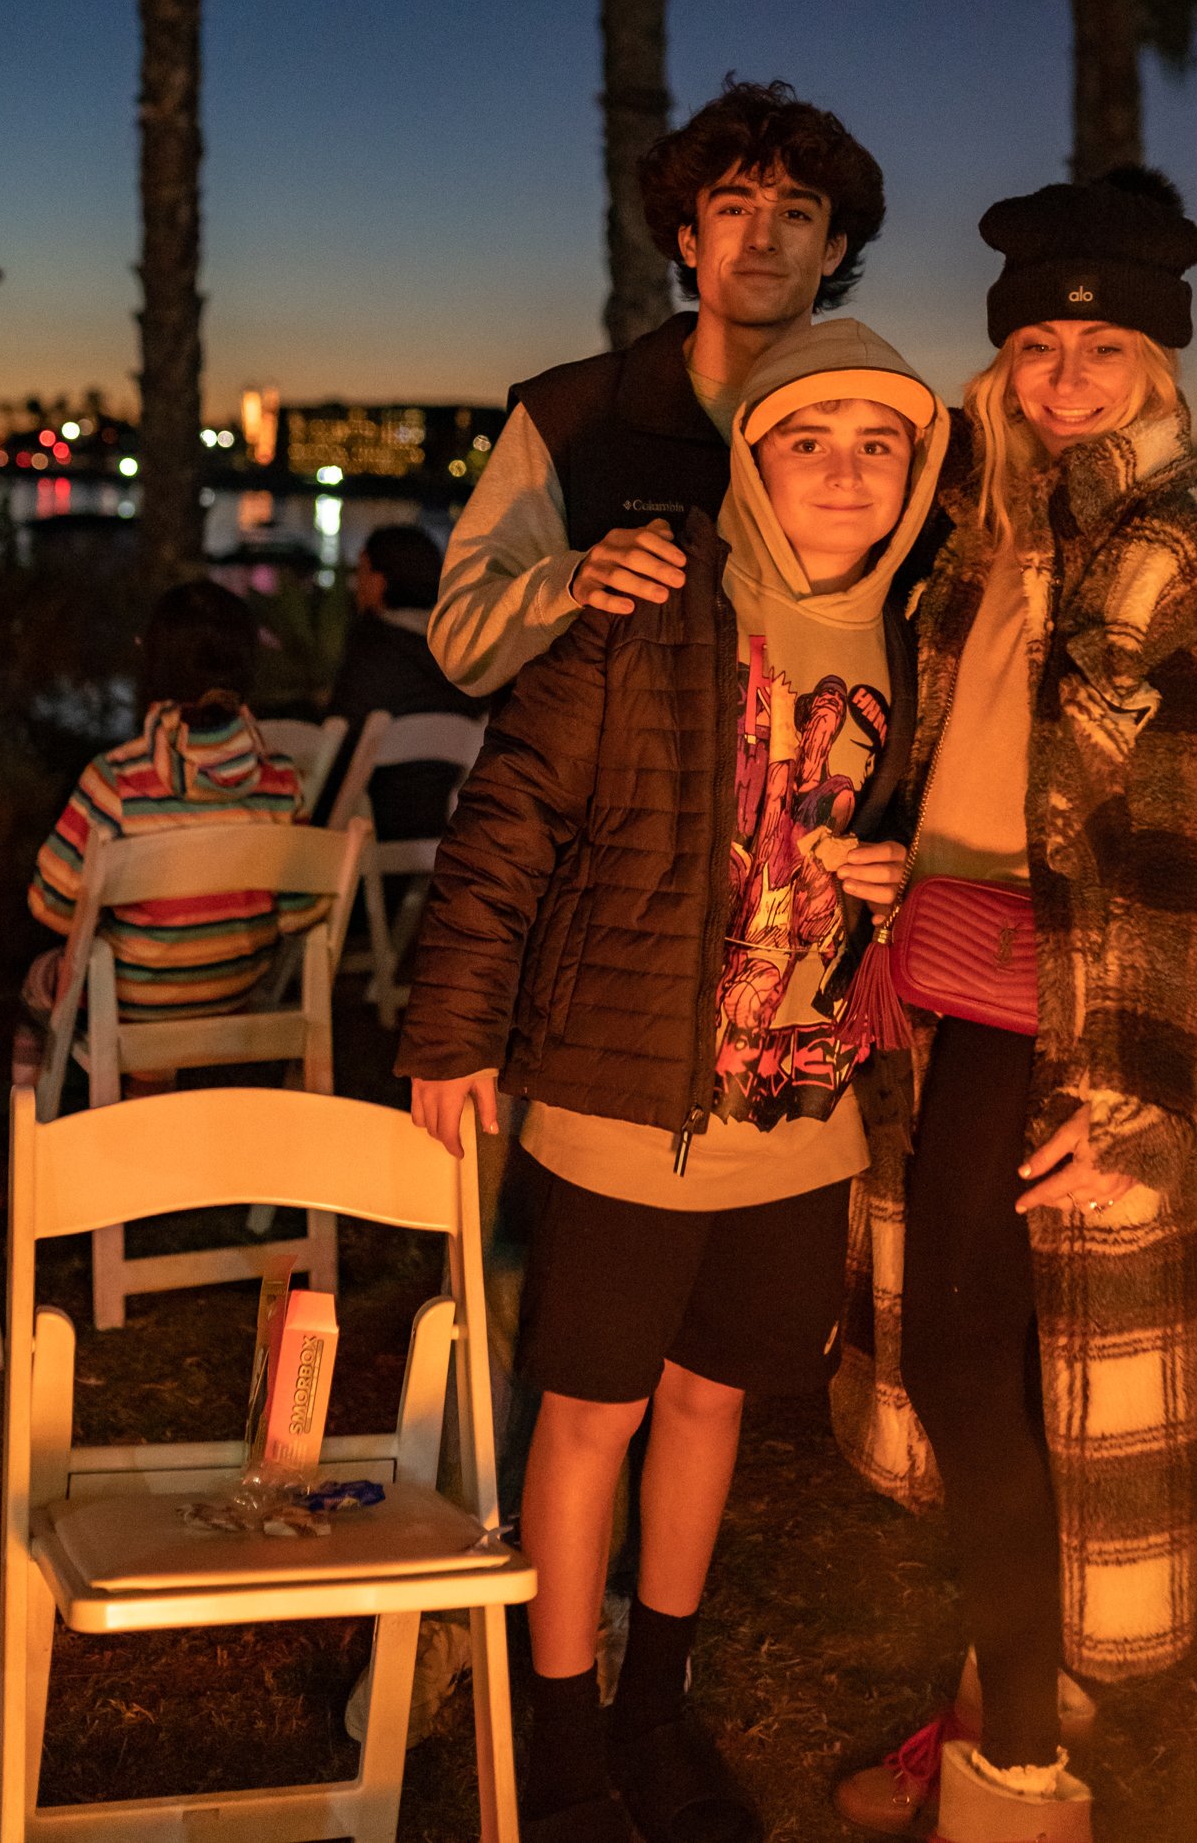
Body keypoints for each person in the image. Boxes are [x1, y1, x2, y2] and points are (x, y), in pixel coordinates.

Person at [397, 321, 947, 1843]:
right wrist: (453, 1029)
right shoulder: (647, 610)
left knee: (711, 1398)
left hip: (807, 1108)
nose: (845, 471)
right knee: (591, 1409)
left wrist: (904, 874)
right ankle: (561, 1721)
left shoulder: (919, 639)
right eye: (809, 437)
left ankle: (659, 1702)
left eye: (880, 442)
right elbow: (507, 821)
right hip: (625, 1093)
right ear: (753, 459)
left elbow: (938, 838)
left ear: (918, 472)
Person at [830, 171, 1197, 1843]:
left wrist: (1151, 1105)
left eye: (1098, 347)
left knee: (965, 1352)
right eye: (1035, 344)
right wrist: (896, 857)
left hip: (1072, 1016)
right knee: (986, 1361)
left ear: (1153, 366)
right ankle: (1012, 1675)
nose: (1062, 378)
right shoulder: (993, 532)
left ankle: (1016, 1757)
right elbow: (977, 784)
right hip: (955, 977)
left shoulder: (1188, 547)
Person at [427, 77, 887, 700]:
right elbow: (463, 643)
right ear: (689, 240)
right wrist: (574, 580)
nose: (762, 237)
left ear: (833, 249)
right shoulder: (571, 414)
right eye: (733, 208)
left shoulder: (885, 428)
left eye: (796, 214)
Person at [24, 581, 318, 1042]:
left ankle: (39, 1099)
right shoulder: (281, 777)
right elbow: (301, 912)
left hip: (132, 1003)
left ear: (154, 664)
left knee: (40, 983)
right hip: (235, 989)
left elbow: (52, 904)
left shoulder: (115, 779)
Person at [318, 523, 483, 837]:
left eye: (362, 571)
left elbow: (339, 751)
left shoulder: (376, 649)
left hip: (373, 828)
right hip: (445, 828)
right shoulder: (464, 654)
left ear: (379, 583)